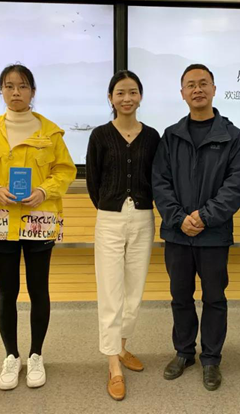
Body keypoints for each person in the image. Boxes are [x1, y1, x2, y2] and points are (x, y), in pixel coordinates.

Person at [0, 64, 76, 391]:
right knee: (6, 291)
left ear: (33, 91)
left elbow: (65, 170)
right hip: (0, 219)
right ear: (1, 91)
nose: (15, 92)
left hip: (39, 218)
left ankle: (35, 355)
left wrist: (45, 190)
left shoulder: (51, 132)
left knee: (38, 289)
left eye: (22, 86)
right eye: (9, 86)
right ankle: (11, 355)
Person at [152, 63, 240, 391]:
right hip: (177, 235)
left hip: (214, 235)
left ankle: (211, 358)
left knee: (214, 297)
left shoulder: (233, 137)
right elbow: (160, 183)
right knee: (180, 295)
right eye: (191, 84)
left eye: (203, 83)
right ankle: (184, 352)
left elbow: (235, 186)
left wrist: (204, 217)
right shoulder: (171, 136)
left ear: (214, 89)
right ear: (182, 93)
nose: (198, 89)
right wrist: (180, 218)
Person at [86, 70, 160, 401]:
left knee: (134, 290)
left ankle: (122, 345)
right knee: (111, 291)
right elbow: (93, 181)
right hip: (110, 219)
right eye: (120, 93)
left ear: (140, 96)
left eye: (132, 92)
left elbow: (156, 177)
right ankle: (113, 364)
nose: (126, 98)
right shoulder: (100, 135)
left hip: (143, 217)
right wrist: (110, 205)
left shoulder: (153, 136)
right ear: (110, 98)